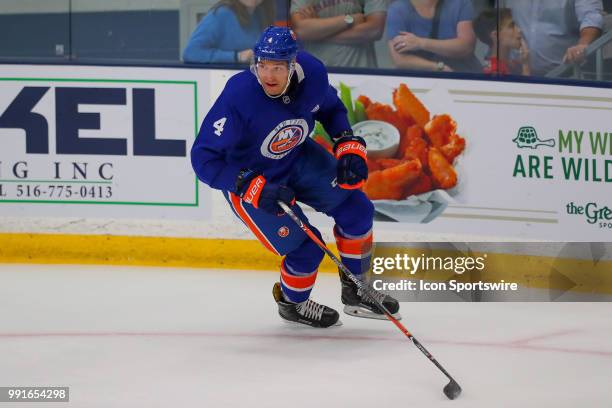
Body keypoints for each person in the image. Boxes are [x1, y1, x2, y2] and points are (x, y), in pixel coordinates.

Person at [190, 26, 400, 328]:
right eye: (263, 66)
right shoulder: (239, 95)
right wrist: (251, 187)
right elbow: (203, 159)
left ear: (293, 64)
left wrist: (346, 144)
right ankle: (294, 304)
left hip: (298, 156)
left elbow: (331, 109)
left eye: (277, 67)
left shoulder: (312, 75)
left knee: (357, 209)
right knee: (308, 249)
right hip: (255, 179)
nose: (269, 76)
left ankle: (357, 288)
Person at [501, 0, 604, 76]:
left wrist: (582, 45)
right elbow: (497, 19)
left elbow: (592, 17)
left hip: (564, 75)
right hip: (515, 74)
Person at [386, 0, 480, 72]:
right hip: (419, 80)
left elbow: (466, 47)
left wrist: (420, 43)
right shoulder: (397, 9)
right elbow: (400, 60)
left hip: (464, 76)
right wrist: (438, 67)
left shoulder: (460, 3)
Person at [289, 0, 387, 68]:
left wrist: (319, 31)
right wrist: (350, 19)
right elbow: (300, 30)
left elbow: (375, 30)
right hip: (318, 75)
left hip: (359, 74)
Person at [182, 0, 275, 64]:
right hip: (222, 80)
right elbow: (191, 53)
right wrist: (237, 56)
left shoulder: (261, 14)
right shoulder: (221, 14)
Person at [474, 8, 530, 75]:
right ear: (496, 35)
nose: (519, 30)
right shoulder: (494, 71)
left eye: (516, 25)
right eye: (511, 26)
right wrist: (526, 66)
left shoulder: (513, 65)